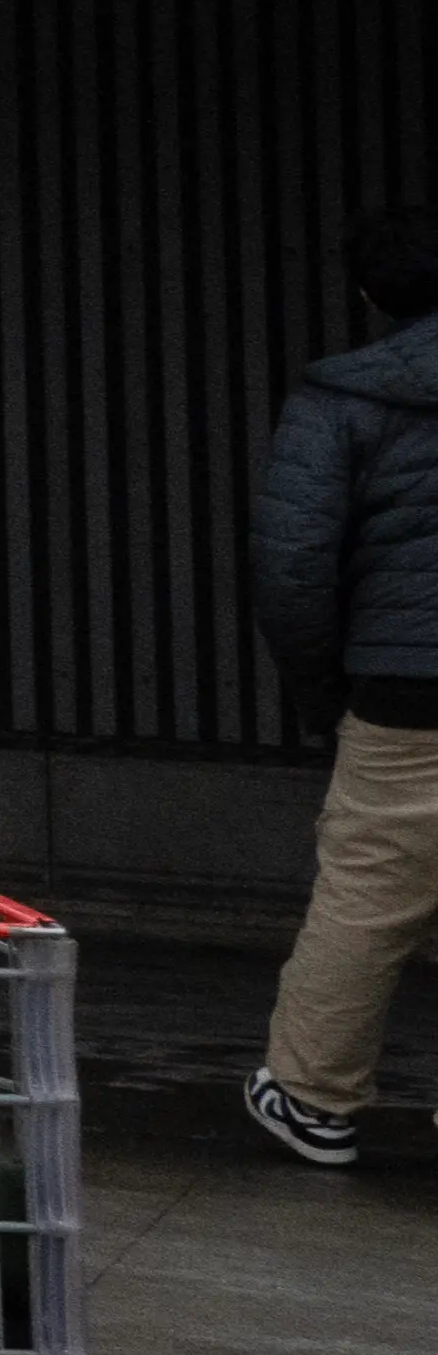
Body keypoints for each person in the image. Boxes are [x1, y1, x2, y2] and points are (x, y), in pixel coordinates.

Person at [246, 205, 438, 1167]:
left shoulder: (343, 398)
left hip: (406, 692)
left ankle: (311, 1099)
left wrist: (329, 695)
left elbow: (293, 570)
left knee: (365, 898)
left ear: (369, 296)